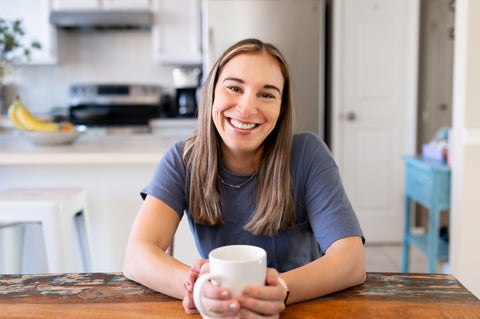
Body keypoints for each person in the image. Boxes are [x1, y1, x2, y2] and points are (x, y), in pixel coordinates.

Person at [123, 38, 366, 318]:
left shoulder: (308, 154)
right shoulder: (182, 159)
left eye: (267, 94)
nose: (247, 108)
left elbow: (351, 261)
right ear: (212, 92)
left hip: (302, 306)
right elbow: (136, 256)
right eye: (235, 88)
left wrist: (282, 290)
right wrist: (199, 290)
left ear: (281, 109)